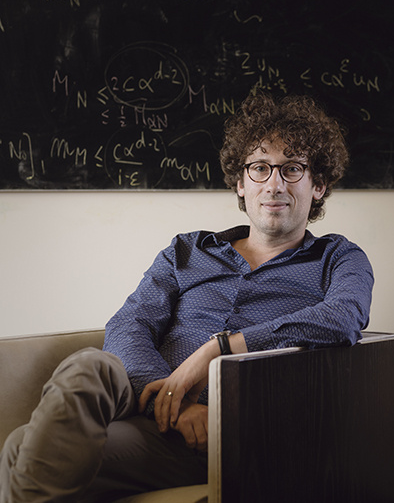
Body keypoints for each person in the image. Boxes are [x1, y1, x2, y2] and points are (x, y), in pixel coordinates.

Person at [0, 90, 374, 502]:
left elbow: (343, 318)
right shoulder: (187, 250)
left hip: (227, 428)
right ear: (240, 183)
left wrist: (219, 349)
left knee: (20, 448)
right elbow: (129, 324)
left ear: (318, 185)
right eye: (260, 168)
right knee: (90, 364)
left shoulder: (339, 258)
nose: (274, 184)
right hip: (148, 393)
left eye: (292, 169)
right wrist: (171, 402)